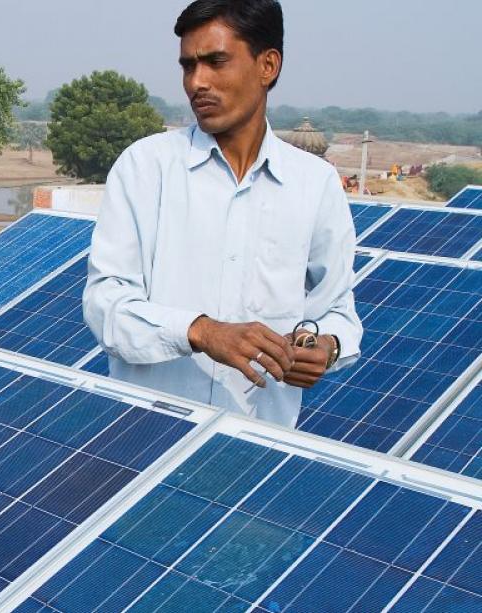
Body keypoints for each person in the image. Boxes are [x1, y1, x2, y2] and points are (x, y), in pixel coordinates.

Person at [83, 0, 362, 427]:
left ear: (268, 65)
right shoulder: (145, 168)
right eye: (188, 66)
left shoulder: (315, 184)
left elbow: (338, 309)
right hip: (144, 435)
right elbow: (105, 305)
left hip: (255, 442)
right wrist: (201, 331)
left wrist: (326, 346)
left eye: (216, 62)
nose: (197, 82)